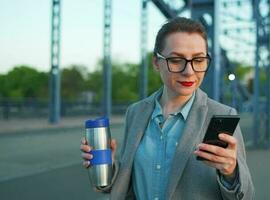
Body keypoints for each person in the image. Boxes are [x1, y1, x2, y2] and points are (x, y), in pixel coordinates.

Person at [81, 17, 254, 200]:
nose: (189, 71)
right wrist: (107, 166)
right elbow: (129, 186)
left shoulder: (221, 115)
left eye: (199, 59)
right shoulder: (136, 112)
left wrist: (231, 172)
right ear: (156, 62)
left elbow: (246, 195)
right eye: (176, 60)